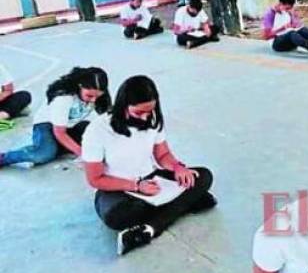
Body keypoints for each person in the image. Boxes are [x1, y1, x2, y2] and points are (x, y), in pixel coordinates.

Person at [82, 75, 216, 256]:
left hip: (152, 180)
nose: (145, 118)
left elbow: (162, 154)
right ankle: (183, 204)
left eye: (149, 111)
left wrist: (177, 167)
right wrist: (136, 186)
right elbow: (95, 179)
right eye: (139, 113)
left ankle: (149, 228)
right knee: (115, 217)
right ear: (123, 106)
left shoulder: (153, 119)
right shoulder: (97, 131)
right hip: (118, 188)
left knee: (204, 176)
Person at [0, 67, 110, 167]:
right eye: (89, 96)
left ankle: (58, 147)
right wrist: (81, 153)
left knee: (100, 137)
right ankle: (4, 158)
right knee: (43, 154)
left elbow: (109, 117)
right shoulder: (63, 98)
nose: (93, 100)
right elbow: (59, 132)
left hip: (71, 126)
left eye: (97, 96)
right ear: (80, 86)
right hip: (46, 126)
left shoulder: (98, 94)